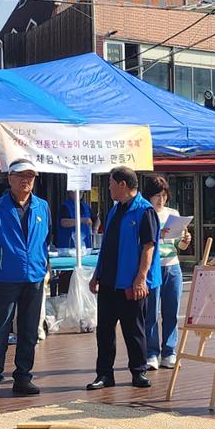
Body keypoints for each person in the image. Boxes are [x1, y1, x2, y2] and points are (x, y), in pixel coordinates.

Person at [0, 160, 49, 398]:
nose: (25, 180)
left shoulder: (42, 206)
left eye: (30, 176)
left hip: (35, 277)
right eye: (20, 176)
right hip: (5, 277)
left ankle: (23, 377)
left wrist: (41, 264)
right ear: (10, 179)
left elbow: (45, 239)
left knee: (29, 331)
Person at [88, 166, 160, 390]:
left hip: (130, 282)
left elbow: (149, 247)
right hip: (109, 281)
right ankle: (104, 374)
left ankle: (138, 372)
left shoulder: (144, 210)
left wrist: (141, 278)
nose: (108, 187)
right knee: (105, 331)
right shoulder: (114, 210)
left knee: (134, 330)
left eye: (110, 183)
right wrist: (96, 274)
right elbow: (107, 246)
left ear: (122, 185)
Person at [141, 176, 190, 371]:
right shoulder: (145, 212)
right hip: (153, 266)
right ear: (149, 196)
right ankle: (151, 352)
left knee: (172, 311)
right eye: (156, 195)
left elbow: (179, 245)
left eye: (163, 195)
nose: (161, 199)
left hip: (173, 264)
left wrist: (185, 240)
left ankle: (169, 351)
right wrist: (157, 234)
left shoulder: (173, 213)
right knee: (151, 311)